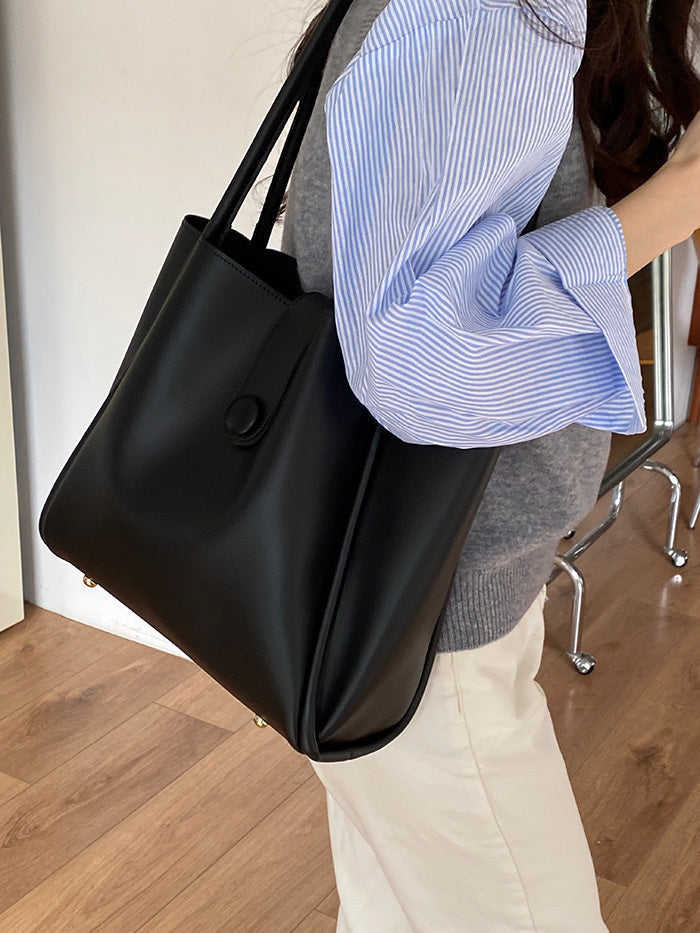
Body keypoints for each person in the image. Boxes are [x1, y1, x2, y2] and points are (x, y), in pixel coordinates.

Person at [277, 0, 700, 929]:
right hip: (424, 622)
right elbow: (417, 360)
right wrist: (680, 197)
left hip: (365, 588)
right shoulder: (487, 9)